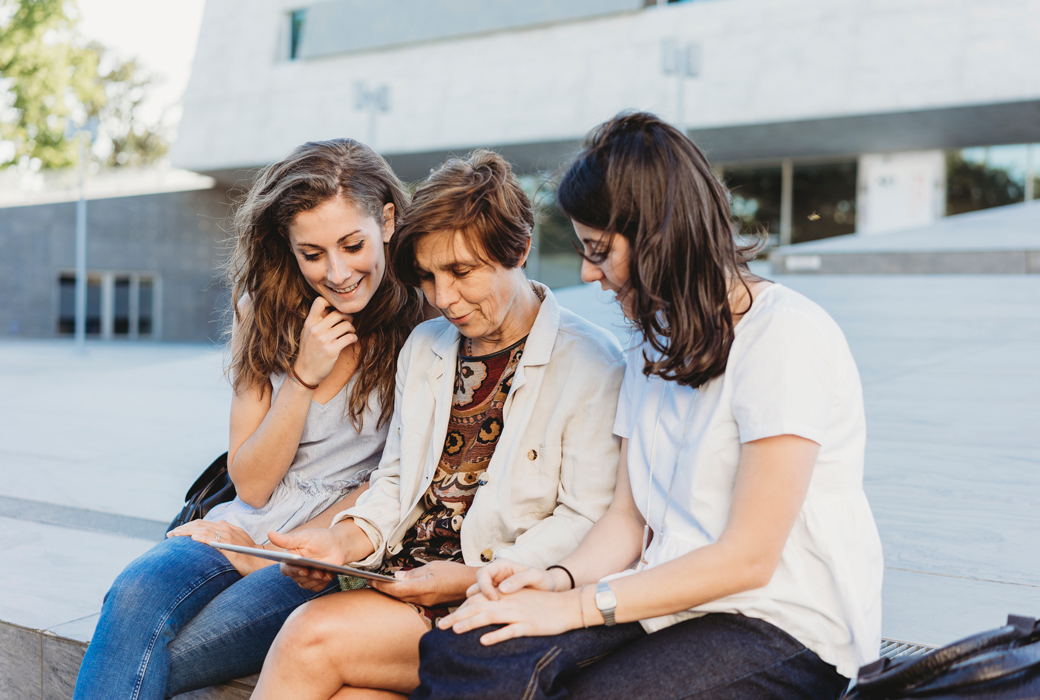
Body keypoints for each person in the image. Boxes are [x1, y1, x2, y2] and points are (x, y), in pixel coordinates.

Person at [411, 112, 884, 700]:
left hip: (781, 622)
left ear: (662, 236)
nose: (589, 273)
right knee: (464, 649)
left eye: (601, 251)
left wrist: (578, 607)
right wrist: (553, 580)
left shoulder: (785, 337)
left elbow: (748, 560)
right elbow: (627, 521)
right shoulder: (652, 346)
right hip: (667, 597)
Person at [248, 150, 626, 700]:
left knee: (308, 636)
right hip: (401, 584)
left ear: (519, 249)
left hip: (497, 597)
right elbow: (397, 481)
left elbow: (585, 518)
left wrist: (471, 577)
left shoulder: (594, 363)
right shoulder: (426, 346)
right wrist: (341, 541)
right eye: (426, 276)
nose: (443, 298)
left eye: (461, 271)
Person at [72, 139, 424, 700]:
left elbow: (397, 479)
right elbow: (253, 482)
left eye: (352, 245)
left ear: (387, 220)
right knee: (135, 595)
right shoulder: (262, 307)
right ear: (288, 247)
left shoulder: (425, 325)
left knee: (161, 657)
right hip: (242, 522)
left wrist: (285, 550)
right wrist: (304, 379)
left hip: (329, 547)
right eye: (312, 254)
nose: (337, 272)